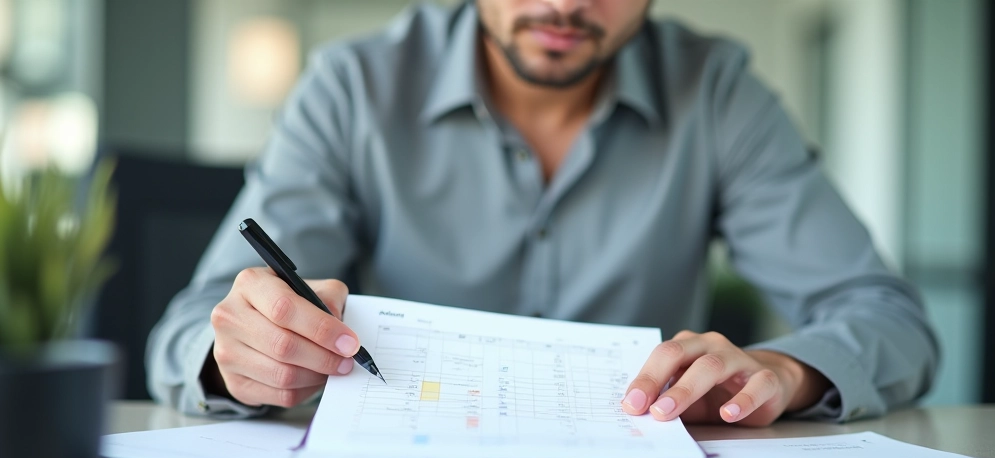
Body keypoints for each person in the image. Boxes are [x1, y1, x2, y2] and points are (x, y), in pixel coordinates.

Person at [147, 0, 939, 425]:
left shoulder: (718, 94)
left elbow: (888, 319)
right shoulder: (351, 89)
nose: (563, 5)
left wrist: (788, 371)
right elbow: (187, 330)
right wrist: (239, 356)